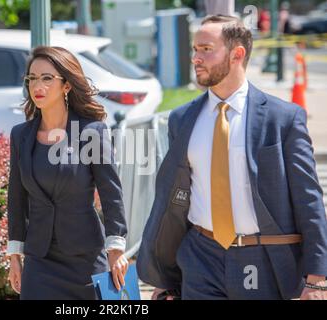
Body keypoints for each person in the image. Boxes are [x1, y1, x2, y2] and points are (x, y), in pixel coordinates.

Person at [137, 15, 327, 300]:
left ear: (237, 54)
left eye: (206, 49)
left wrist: (317, 279)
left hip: (264, 257)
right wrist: (164, 277)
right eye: (194, 49)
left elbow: (308, 200)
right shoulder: (181, 119)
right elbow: (173, 201)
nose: (195, 58)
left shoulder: (283, 119)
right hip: (201, 256)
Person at [6, 46, 129, 300]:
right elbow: (16, 198)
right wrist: (14, 255)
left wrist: (116, 246)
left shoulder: (91, 132)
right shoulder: (21, 136)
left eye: (47, 78)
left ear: (66, 86)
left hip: (85, 260)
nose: (37, 85)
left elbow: (110, 192)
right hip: (40, 260)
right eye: (32, 78)